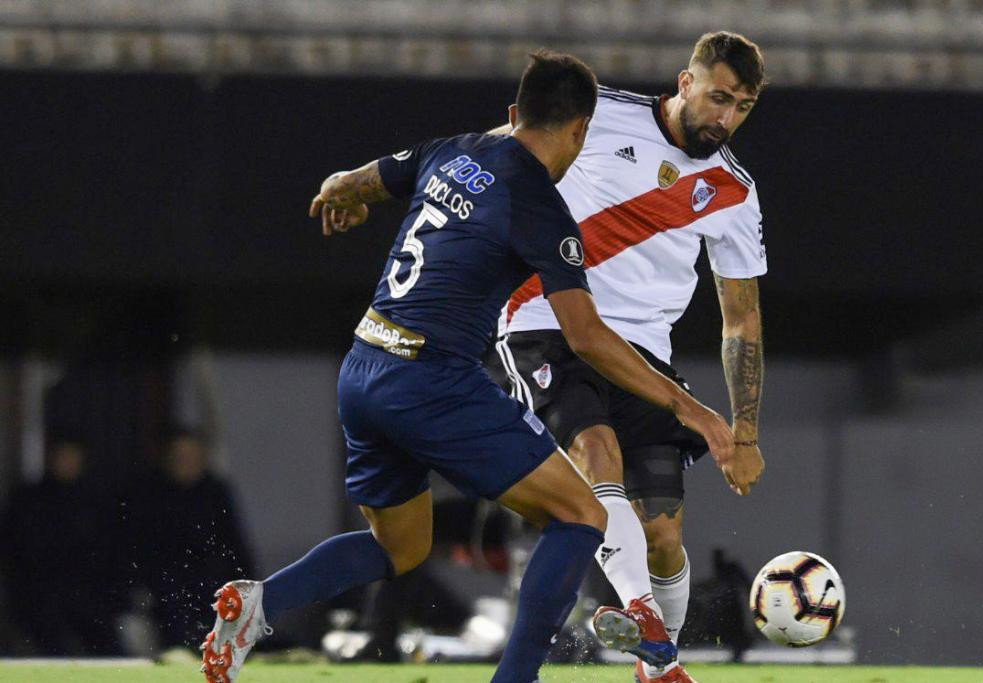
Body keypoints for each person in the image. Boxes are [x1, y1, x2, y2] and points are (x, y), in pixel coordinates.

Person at [198, 50, 733, 683]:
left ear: (513, 114)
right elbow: (586, 338)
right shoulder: (540, 207)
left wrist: (342, 189)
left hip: (364, 369)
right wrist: (689, 406)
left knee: (401, 547)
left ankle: (258, 605)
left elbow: (362, 180)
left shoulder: (453, 150)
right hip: (432, 381)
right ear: (581, 131)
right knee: (583, 515)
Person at [485, 31, 768, 682]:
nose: (726, 118)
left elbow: (741, 317)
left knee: (665, 533)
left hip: (644, 354)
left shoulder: (733, 192)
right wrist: (381, 181)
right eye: (719, 97)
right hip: (547, 319)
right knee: (597, 454)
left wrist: (745, 428)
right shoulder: (599, 112)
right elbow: (494, 151)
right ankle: (639, 611)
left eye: (743, 107)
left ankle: (654, 663)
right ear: (685, 82)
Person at [135, 428, 256, 650]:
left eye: (192, 457)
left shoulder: (216, 494)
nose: (186, 463)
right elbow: (142, 549)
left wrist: (249, 589)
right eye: (180, 457)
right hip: (165, 587)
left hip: (212, 584)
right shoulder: (150, 495)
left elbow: (235, 546)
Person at [0, 438, 120, 655]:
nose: (68, 463)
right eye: (63, 457)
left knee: (110, 645)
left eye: (73, 457)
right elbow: (18, 554)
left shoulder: (94, 502)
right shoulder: (28, 501)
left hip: (89, 596)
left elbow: (107, 554)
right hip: (40, 596)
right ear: (50, 459)